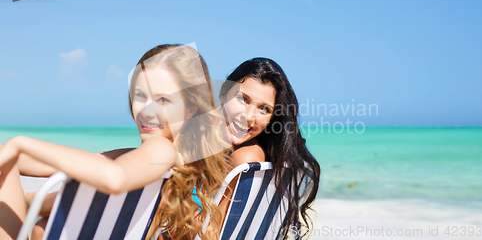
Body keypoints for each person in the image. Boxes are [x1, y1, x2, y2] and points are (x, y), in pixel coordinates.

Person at [0, 44, 230, 240]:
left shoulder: (161, 150)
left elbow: (115, 178)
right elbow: (58, 165)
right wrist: (11, 154)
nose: (147, 111)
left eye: (163, 100)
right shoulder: (177, 158)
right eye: (140, 95)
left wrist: (19, 143)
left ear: (190, 108)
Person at [218, 57, 321, 238]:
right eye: (243, 99)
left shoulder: (246, 159)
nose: (248, 116)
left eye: (264, 109)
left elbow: (212, 232)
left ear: (273, 118)